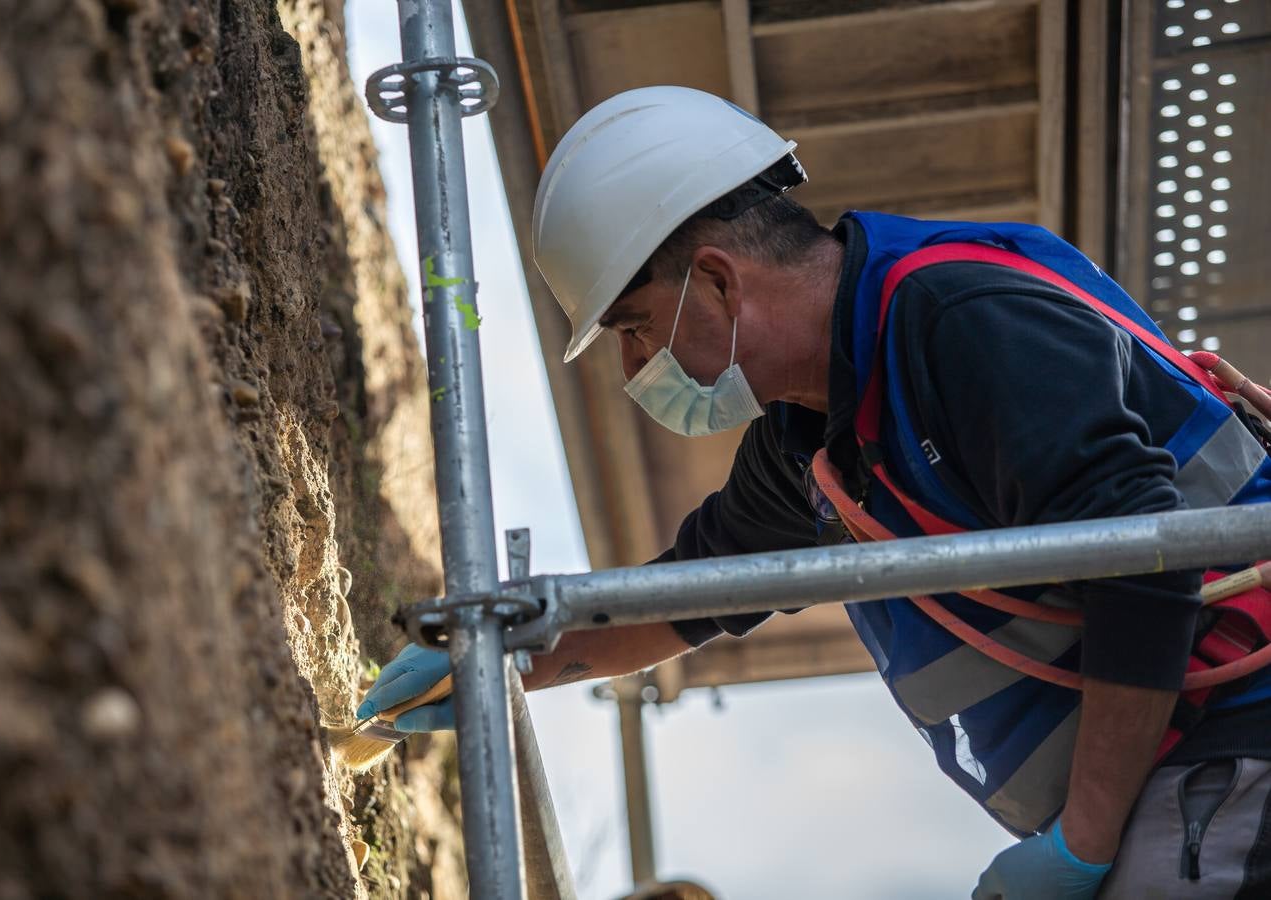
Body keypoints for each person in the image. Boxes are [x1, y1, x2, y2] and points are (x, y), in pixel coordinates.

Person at [359, 86, 1271, 898]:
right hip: (1183, 762)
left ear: (716, 279)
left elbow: (1142, 559)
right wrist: (511, 659)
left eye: (636, 330)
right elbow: (686, 599)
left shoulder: (958, 321)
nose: (636, 368)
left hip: (1242, 729)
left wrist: (1080, 845)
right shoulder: (813, 443)